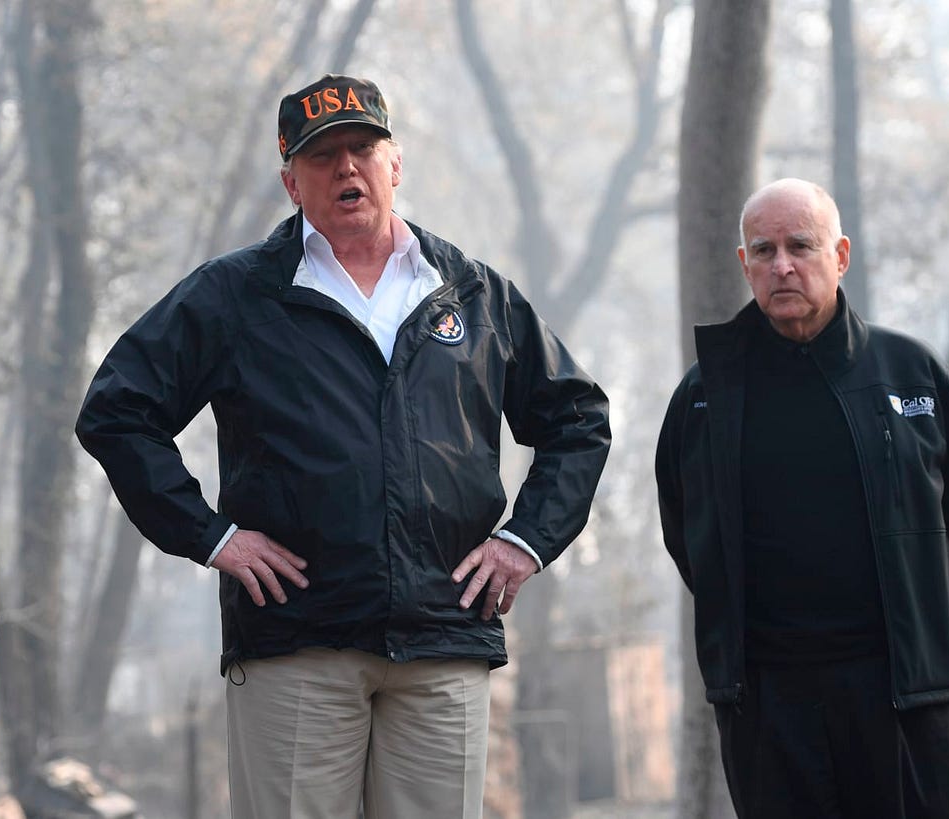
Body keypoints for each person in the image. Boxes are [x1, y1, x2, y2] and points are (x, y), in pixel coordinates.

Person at [76, 74, 610, 818]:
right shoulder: (236, 295)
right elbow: (117, 411)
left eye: (363, 147)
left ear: (396, 164)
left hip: (444, 639)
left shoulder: (475, 296)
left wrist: (525, 541)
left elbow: (577, 420)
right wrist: (211, 536)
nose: (346, 168)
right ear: (292, 181)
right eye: (323, 155)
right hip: (298, 636)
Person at [656, 178, 949, 817]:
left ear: (839, 256)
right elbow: (687, 534)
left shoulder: (912, 374)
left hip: (903, 693)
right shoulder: (706, 396)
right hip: (768, 703)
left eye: (801, 246)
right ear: (744, 264)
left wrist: (920, 618)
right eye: (764, 250)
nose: (782, 265)